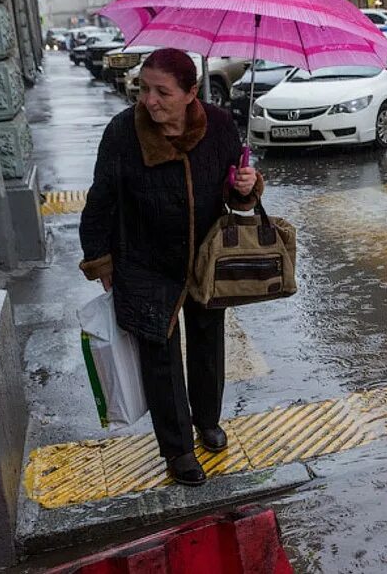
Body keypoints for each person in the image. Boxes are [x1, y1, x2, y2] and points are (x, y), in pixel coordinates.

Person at [79, 47, 262, 486]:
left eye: (162, 92)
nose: (150, 100)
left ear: (190, 93)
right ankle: (178, 448)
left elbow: (234, 193)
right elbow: (100, 200)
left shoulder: (217, 125)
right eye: (145, 89)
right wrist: (101, 261)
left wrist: (245, 186)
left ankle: (207, 419)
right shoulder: (123, 133)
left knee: (206, 343)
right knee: (158, 355)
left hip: (203, 256)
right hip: (143, 261)